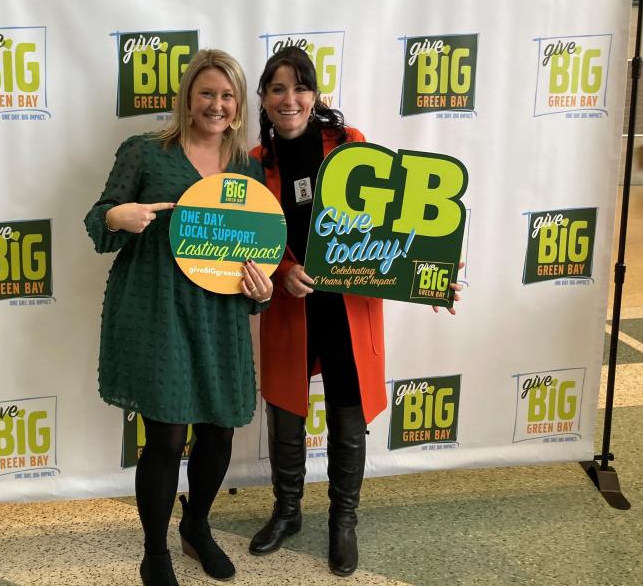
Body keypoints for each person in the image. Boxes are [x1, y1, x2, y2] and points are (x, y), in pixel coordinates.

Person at [248, 46, 461, 577]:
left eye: (299, 87)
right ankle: (288, 512)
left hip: (347, 305)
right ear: (264, 99)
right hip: (289, 309)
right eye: (277, 88)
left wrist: (427, 274)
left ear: (315, 95)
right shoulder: (253, 164)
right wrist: (278, 274)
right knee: (286, 413)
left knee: (346, 412)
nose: (289, 99)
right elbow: (247, 242)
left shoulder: (350, 147)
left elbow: (391, 226)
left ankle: (344, 519)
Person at [85, 49, 274, 586]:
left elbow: (253, 252)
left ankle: (196, 526)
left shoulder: (247, 168)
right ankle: (155, 553)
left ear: (239, 108)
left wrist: (259, 289)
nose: (216, 104)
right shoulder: (145, 153)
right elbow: (100, 220)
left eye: (227, 95)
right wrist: (117, 216)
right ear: (189, 97)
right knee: (166, 438)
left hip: (219, 315)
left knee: (219, 433)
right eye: (207, 93)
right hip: (156, 308)